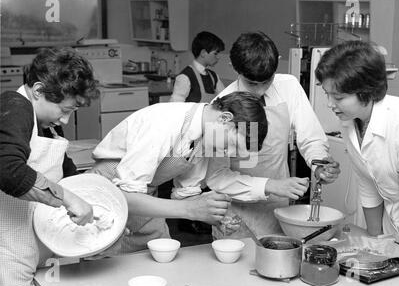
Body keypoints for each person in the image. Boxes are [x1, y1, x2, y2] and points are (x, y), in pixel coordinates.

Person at [89, 91, 269, 253]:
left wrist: (215, 215)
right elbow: (125, 196)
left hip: (145, 198)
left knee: (162, 262)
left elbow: (184, 195)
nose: (228, 154)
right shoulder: (164, 122)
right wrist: (191, 209)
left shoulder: (206, 137)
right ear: (224, 119)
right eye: (233, 145)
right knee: (106, 270)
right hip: (106, 197)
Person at [202, 31, 341, 239]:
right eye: (251, 83)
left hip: (281, 211)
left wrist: (318, 163)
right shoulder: (219, 109)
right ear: (233, 66)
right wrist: (270, 185)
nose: (258, 92)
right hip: (236, 215)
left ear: (277, 62)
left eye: (266, 82)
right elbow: (216, 177)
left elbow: (310, 137)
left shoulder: (290, 87)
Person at [0, 47, 100, 286]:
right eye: (65, 110)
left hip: (39, 238)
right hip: (9, 243)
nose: (65, 120)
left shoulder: (48, 123)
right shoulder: (14, 107)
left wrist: (96, 212)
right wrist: (68, 199)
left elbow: (66, 173)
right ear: (38, 91)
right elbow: (8, 169)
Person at [315, 40, 399, 246]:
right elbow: (368, 183)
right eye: (327, 94)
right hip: (395, 229)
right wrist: (375, 241)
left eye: (338, 97)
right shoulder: (351, 122)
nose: (330, 104)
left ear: (366, 91)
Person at [170, 31, 225, 103]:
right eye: (215, 53)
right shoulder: (185, 77)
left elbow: (225, 98)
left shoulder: (214, 77)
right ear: (203, 53)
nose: (218, 57)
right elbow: (175, 106)